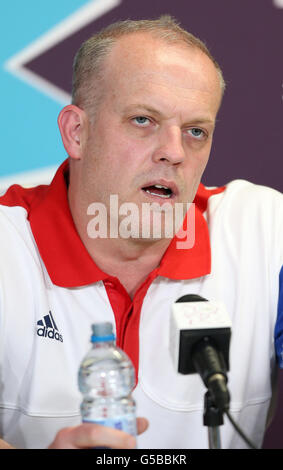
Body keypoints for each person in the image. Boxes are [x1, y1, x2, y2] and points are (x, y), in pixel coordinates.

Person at [0, 15, 282, 449]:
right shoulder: (6, 243)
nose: (173, 152)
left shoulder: (266, 232)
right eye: (143, 120)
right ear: (77, 133)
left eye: (196, 131)